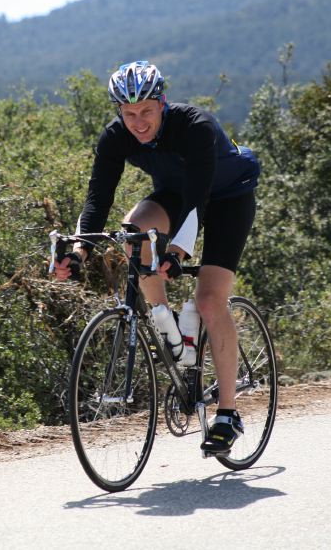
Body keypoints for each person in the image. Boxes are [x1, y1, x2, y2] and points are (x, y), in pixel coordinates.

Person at [52, 60, 260, 455]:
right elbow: (98, 197)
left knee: (210, 298)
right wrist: (80, 250)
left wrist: (178, 252)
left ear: (162, 103)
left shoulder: (195, 125)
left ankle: (228, 413)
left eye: (146, 110)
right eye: (128, 113)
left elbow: (198, 200)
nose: (138, 122)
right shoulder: (116, 136)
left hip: (227, 196)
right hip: (176, 194)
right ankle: (170, 330)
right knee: (133, 231)